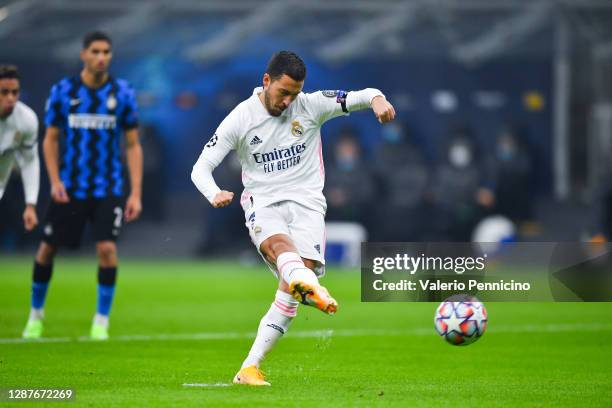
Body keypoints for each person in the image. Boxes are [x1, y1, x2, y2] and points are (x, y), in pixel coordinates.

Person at [191, 51, 395, 386]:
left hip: (308, 205)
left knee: (293, 284)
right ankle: (309, 286)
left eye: (295, 94)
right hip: (264, 202)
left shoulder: (311, 105)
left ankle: (250, 368)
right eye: (283, 92)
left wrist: (377, 100)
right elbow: (201, 167)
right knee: (280, 249)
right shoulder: (241, 118)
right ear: (266, 81)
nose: (288, 101)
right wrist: (213, 192)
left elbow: (360, 95)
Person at [22, 31, 143, 341]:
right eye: (95, 51)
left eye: (106, 52)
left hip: (109, 188)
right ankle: (35, 315)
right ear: (84, 55)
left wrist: (136, 193)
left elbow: (132, 145)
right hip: (70, 187)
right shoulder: (64, 91)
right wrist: (55, 181)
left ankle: (101, 321)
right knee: (47, 249)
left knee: (106, 249)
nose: (101, 57)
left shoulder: (123, 93)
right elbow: (49, 138)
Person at [0, 65, 39, 233]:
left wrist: (31, 204)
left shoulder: (27, 120)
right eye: (4, 92)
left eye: (14, 92)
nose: (10, 98)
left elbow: (30, 161)